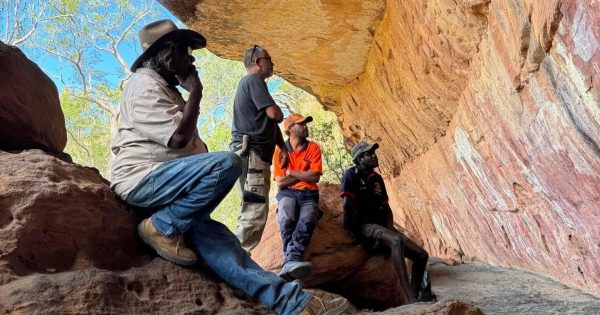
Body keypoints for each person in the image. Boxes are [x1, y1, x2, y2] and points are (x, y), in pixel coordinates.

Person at [110, 19, 348, 315]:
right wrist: (196, 91)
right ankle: (162, 226)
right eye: (185, 51)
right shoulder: (144, 85)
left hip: (170, 188)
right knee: (226, 164)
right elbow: (178, 138)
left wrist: (282, 147)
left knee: (224, 245)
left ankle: (291, 303)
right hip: (145, 181)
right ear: (169, 55)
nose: (191, 58)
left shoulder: (163, 87)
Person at [340, 141, 432, 303]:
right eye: (369, 154)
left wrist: (390, 228)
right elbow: (347, 205)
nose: (374, 156)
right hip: (365, 226)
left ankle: (415, 295)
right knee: (396, 241)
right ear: (360, 159)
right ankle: (409, 297)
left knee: (421, 255)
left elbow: (386, 206)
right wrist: (357, 234)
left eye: (374, 153)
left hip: (382, 227)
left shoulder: (377, 178)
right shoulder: (351, 174)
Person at [230, 44, 289, 253]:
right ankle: (235, 260)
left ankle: (236, 257)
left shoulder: (252, 84)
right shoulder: (253, 81)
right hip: (251, 152)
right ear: (257, 61)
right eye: (269, 59)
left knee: (252, 207)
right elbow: (275, 115)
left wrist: (283, 148)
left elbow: (269, 123)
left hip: (252, 154)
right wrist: (279, 111)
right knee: (254, 210)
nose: (272, 63)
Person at [272, 113, 322, 281]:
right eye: (302, 124)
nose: (306, 126)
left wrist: (291, 172)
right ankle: (292, 260)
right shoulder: (280, 150)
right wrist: (303, 174)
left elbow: (315, 177)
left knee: (308, 218)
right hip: (287, 193)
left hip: (309, 194)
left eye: (305, 123)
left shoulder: (313, 147)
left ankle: (290, 260)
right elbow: (280, 182)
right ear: (290, 128)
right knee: (286, 216)